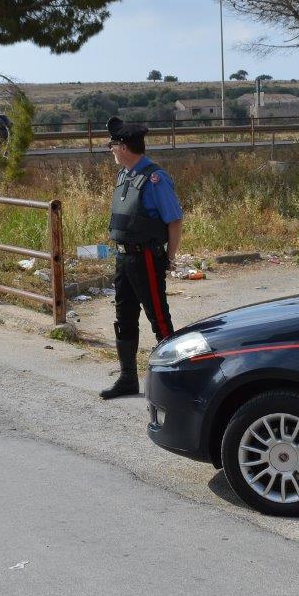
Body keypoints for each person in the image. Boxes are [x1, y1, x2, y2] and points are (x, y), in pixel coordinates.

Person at [100, 116, 184, 400]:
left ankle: (175, 382)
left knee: (158, 317)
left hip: (146, 257)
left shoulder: (155, 178)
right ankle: (127, 378)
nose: (110, 149)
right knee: (124, 316)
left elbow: (174, 220)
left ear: (123, 146)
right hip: (123, 258)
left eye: (112, 145)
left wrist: (169, 258)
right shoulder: (125, 174)